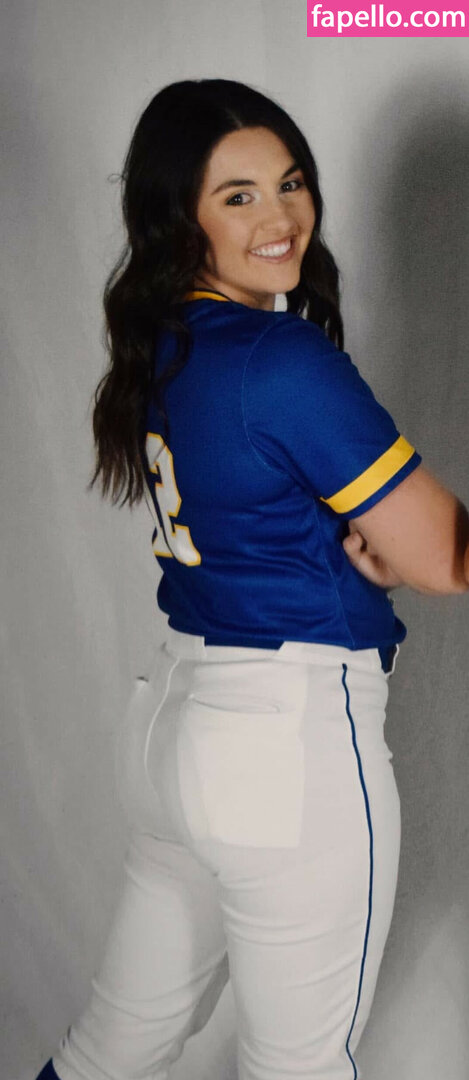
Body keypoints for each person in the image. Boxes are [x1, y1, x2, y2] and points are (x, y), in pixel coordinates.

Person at [35, 78, 469, 1080]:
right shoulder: (279, 357)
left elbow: (272, 517)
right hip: (285, 748)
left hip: (175, 730)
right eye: (237, 195)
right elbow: (444, 557)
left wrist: (374, 547)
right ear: (176, 217)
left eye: (290, 182)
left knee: (111, 1048)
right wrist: (399, 550)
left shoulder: (162, 344)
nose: (280, 217)